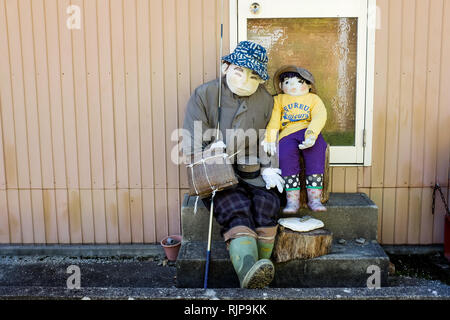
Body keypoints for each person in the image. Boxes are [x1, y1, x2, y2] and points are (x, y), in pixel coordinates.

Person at [182, 41, 284, 289]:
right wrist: (209, 151)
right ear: (226, 66)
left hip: (253, 171)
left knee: (267, 205)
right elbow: (191, 142)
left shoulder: (266, 101)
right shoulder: (205, 95)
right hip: (218, 173)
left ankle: (259, 270)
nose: (244, 78)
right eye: (239, 70)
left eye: (252, 75)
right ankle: (248, 269)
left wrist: (270, 166)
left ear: (260, 80)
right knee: (234, 207)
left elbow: (268, 139)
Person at [262, 65, 328, 213]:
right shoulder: (279, 100)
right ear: (280, 86)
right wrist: (270, 138)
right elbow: (274, 120)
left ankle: (315, 200)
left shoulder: (313, 99)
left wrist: (311, 134)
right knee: (286, 157)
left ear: (309, 85)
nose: (292, 86)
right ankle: (292, 201)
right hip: (287, 134)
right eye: (287, 82)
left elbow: (319, 116)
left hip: (308, 131)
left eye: (299, 82)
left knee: (316, 155)